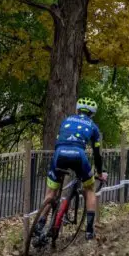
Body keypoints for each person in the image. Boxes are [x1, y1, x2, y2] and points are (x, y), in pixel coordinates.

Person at [35, 97, 107, 241]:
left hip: (59, 154)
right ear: (92, 114)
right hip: (78, 156)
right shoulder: (93, 126)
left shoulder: (66, 121)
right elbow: (97, 153)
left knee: (51, 192)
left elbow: (58, 140)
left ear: (77, 109)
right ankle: (89, 231)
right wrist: (100, 173)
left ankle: (40, 224)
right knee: (90, 189)